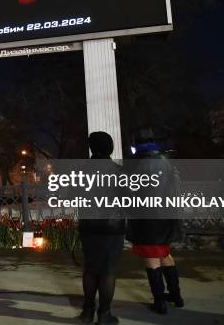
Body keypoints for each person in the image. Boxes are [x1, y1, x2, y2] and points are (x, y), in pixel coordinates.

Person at [126, 142, 184, 315]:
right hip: (167, 219)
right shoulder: (169, 167)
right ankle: (176, 296)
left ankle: (159, 302)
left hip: (147, 222)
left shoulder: (140, 168)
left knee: (152, 259)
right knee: (165, 255)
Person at [78, 132, 125, 324]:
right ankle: (104, 314)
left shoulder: (81, 171)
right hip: (112, 228)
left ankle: (87, 311)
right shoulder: (119, 171)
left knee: (90, 269)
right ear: (110, 148)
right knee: (107, 271)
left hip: (88, 226)